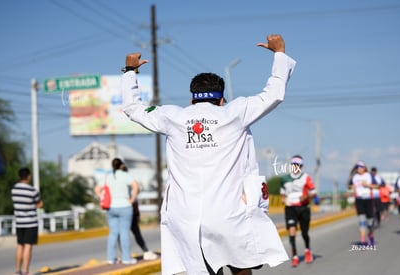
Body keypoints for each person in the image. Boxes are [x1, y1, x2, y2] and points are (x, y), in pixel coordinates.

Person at [121, 34, 296, 275]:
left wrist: (130, 71)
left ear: (192, 98)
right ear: (222, 99)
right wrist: (279, 54)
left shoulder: (172, 117)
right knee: (242, 268)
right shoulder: (236, 112)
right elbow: (273, 93)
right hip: (230, 214)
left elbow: (133, 108)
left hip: (187, 219)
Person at [94, 158, 139, 264]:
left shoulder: (107, 177)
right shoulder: (125, 175)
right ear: (121, 165)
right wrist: (132, 199)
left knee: (113, 233)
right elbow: (136, 186)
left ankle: (111, 258)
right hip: (124, 206)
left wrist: (102, 197)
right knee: (124, 233)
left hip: (110, 207)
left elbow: (96, 189)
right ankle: (126, 258)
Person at [280, 155, 317, 267]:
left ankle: (307, 250)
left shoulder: (306, 177)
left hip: (303, 208)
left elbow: (314, 192)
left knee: (304, 233)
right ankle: (295, 256)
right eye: (294, 165)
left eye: (298, 165)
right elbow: (282, 192)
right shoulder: (284, 179)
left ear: (301, 166)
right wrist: (283, 198)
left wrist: (307, 197)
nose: (296, 167)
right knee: (291, 232)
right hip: (290, 208)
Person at [121, 165, 158, 261]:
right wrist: (132, 200)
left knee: (121, 233)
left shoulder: (115, 180)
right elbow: (137, 188)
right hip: (129, 208)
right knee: (135, 231)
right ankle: (145, 251)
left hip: (117, 209)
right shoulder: (128, 179)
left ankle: (123, 255)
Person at [11, 167, 44, 275]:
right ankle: (25, 271)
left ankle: (17, 270)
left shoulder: (14, 189)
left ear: (19, 177)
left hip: (19, 222)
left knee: (20, 245)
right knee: (28, 246)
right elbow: (39, 204)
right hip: (30, 222)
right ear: (29, 176)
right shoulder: (32, 190)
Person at [348, 161, 380, 245]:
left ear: (364, 168)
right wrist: (352, 186)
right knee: (362, 221)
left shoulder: (369, 176)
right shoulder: (354, 177)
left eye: (361, 167)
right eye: (358, 167)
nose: (359, 169)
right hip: (359, 200)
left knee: (370, 223)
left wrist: (369, 185)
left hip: (369, 199)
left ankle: (370, 234)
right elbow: (349, 185)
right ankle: (362, 241)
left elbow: (377, 185)